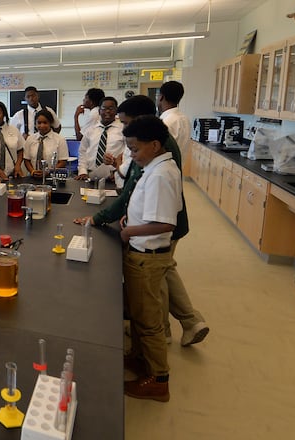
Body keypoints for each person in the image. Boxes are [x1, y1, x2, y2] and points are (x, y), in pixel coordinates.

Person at [73, 95, 208, 348]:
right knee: (165, 270)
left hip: (158, 221)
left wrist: (103, 218)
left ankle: (160, 332)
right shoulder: (154, 145)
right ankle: (188, 322)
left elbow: (133, 188)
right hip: (153, 216)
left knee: (155, 278)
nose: (123, 128)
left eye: (125, 122)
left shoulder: (156, 152)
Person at [118, 115, 183, 402]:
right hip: (141, 253)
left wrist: (130, 230)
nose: (131, 155)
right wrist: (130, 218)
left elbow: (166, 223)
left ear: (155, 145)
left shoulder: (160, 174)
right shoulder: (157, 167)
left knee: (148, 321)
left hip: (147, 257)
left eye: (134, 149)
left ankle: (158, 379)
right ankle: (139, 359)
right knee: (138, 313)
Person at [76, 97, 124, 181]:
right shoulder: (90, 130)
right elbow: (82, 152)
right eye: (104, 108)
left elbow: (128, 154)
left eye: (111, 108)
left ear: (116, 111)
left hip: (114, 176)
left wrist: (119, 170)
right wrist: (82, 171)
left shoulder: (123, 129)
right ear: (99, 111)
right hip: (90, 175)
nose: (107, 111)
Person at [0, 100, 25, 181]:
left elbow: (20, 150)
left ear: (4, 114)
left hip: (13, 175)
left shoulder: (14, 130)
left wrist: (17, 166)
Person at [23, 110, 69, 177]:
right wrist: (32, 171)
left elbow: (62, 162)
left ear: (50, 123)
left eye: (45, 122)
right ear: (35, 124)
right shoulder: (30, 139)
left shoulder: (60, 139)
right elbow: (27, 160)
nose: (42, 125)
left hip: (51, 177)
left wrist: (48, 172)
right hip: (33, 177)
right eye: (39, 123)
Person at [158, 81, 191, 166]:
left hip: (165, 170)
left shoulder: (166, 122)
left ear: (161, 97)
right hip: (177, 169)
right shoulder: (184, 119)